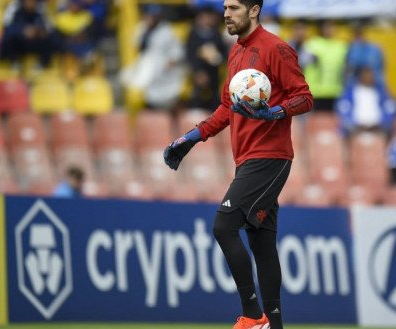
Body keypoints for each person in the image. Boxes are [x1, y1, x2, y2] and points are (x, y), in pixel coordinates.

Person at [163, 1, 313, 328]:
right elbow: (225, 109)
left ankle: (252, 315)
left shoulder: (276, 48)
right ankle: (273, 325)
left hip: (270, 157)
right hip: (247, 159)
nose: (226, 13)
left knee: (224, 225)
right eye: (225, 7)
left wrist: (274, 112)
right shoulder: (235, 53)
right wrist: (190, 138)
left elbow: (305, 96)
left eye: (233, 7)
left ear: (254, 10)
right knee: (262, 243)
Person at [119, 5, 186, 110]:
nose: (149, 18)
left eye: (152, 16)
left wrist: (171, 61)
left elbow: (177, 51)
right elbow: (136, 45)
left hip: (164, 72)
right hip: (147, 68)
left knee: (166, 100)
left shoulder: (167, 31)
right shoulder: (141, 29)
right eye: (148, 16)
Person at [335, 66, 396, 136]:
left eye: (371, 75)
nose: (369, 78)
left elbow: (391, 108)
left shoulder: (381, 92)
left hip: (378, 127)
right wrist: (353, 123)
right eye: (367, 75)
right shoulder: (350, 91)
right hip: (355, 127)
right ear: (360, 77)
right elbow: (343, 108)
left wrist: (383, 122)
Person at [186, 7, 228, 110]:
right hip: (199, 70)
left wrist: (217, 58)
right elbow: (190, 53)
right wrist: (198, 70)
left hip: (213, 70)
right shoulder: (193, 34)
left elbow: (223, 52)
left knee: (214, 94)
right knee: (198, 93)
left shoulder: (217, 33)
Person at [0, 0, 62, 67]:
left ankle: (42, 65)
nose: (31, 3)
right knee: (8, 38)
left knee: (53, 39)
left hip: (36, 42)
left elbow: (50, 28)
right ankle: (14, 62)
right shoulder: (14, 6)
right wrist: (22, 30)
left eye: (33, 1)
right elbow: (6, 27)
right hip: (19, 42)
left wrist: (40, 32)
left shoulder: (42, 7)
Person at [303, 19, 348, 110]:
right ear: (321, 28)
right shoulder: (311, 44)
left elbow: (346, 67)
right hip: (316, 91)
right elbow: (302, 62)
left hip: (336, 91)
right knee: (316, 122)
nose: (329, 30)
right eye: (327, 27)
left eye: (332, 27)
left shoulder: (341, 46)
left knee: (332, 122)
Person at [345, 21, 385, 87]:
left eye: (359, 34)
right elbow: (348, 72)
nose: (357, 37)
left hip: (374, 86)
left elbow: (380, 70)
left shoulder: (374, 49)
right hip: (356, 87)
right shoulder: (350, 49)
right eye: (355, 34)